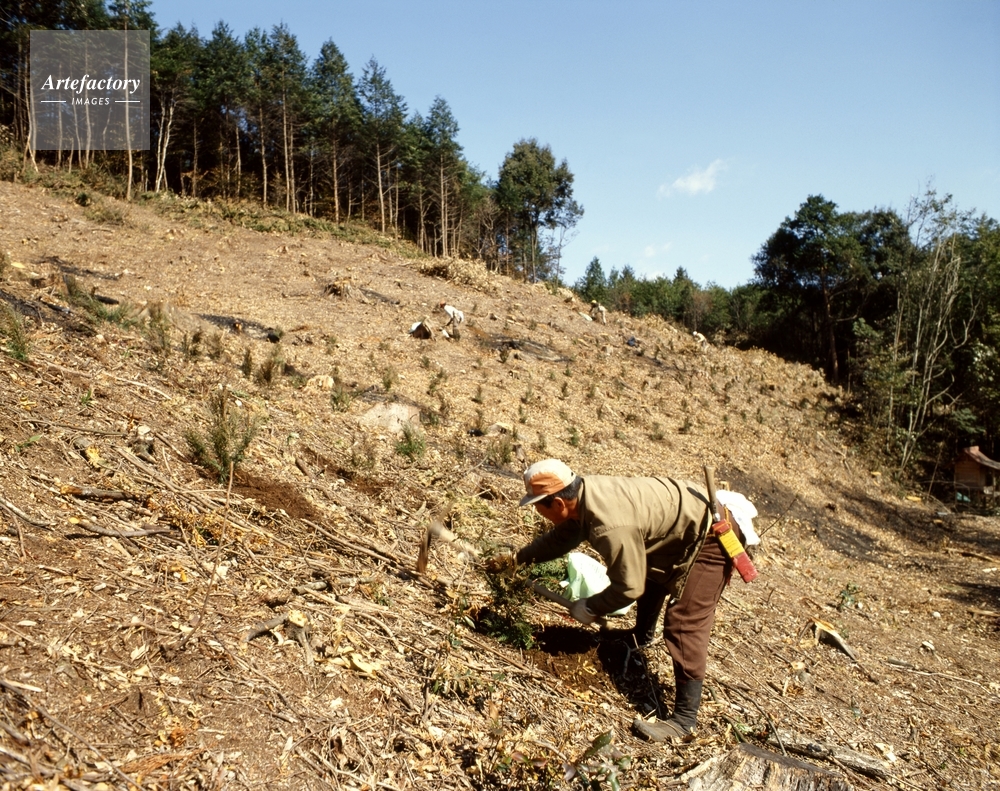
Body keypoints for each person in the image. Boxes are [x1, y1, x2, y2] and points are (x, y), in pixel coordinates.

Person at [496, 458, 748, 741]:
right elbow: (560, 539)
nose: (537, 512)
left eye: (538, 506)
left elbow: (629, 587)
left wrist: (590, 606)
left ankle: (684, 720)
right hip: (684, 526)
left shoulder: (609, 523)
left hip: (711, 536)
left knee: (683, 623)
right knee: (647, 567)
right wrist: (516, 559)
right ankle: (641, 635)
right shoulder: (584, 497)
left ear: (558, 503)